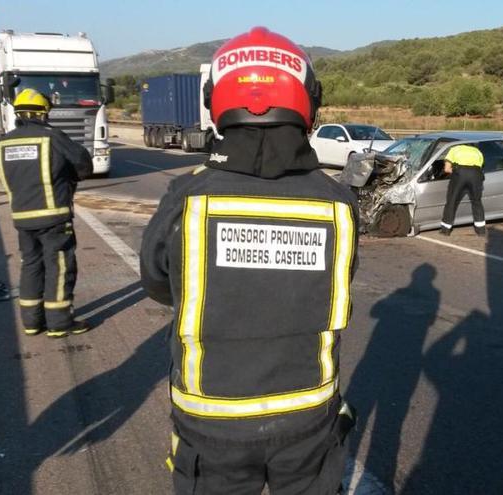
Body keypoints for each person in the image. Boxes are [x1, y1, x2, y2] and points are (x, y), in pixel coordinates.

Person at [140, 27, 359, 495]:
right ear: (307, 102)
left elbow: (159, 283)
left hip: (211, 420)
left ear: (216, 101)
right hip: (308, 414)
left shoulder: (187, 196)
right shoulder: (339, 202)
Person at [0, 89, 93, 338]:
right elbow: (83, 164)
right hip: (54, 217)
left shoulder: (4, 142)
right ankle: (59, 322)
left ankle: (31, 322)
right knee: (59, 267)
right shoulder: (52, 137)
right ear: (43, 113)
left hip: (22, 218)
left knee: (31, 266)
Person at [440, 143, 486, 236]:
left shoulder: (454, 149)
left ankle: (445, 230)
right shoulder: (477, 152)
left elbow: (447, 169)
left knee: (451, 201)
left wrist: (457, 172)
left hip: (460, 173)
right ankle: (481, 230)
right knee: (477, 201)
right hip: (476, 174)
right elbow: (480, 167)